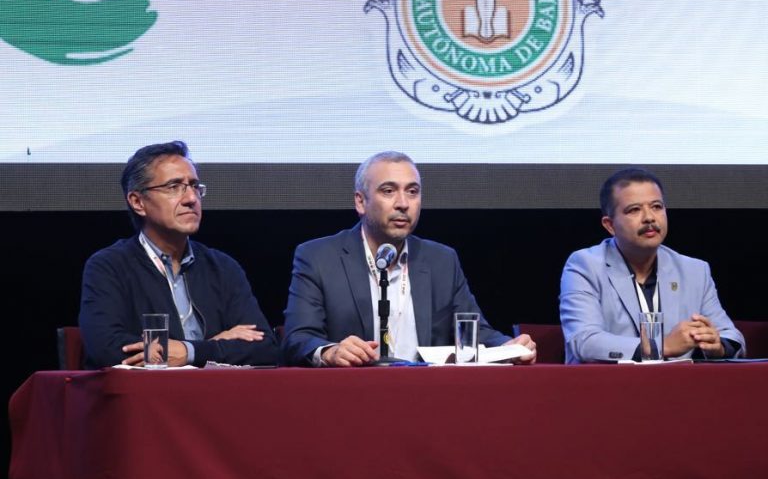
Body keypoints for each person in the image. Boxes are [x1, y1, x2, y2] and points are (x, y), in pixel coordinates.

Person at [281, 150, 536, 367]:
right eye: (388, 191)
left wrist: (509, 346)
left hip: (427, 396)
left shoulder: (441, 260)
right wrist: (330, 351)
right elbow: (298, 337)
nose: (403, 203)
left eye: (412, 192)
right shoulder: (318, 257)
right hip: (350, 396)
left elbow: (473, 332)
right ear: (360, 202)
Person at [79, 141, 279, 368]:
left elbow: (265, 348)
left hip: (219, 397)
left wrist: (190, 351)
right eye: (174, 187)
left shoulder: (222, 267)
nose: (191, 199)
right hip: (148, 399)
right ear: (138, 202)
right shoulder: (109, 266)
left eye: (194, 186)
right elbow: (108, 348)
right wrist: (210, 347)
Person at [559, 167, 745, 363]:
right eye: (634, 210)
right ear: (610, 225)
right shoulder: (585, 266)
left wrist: (717, 345)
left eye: (656, 206)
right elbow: (585, 341)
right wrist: (662, 346)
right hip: (608, 387)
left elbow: (732, 336)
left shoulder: (694, 270)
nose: (649, 217)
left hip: (678, 387)